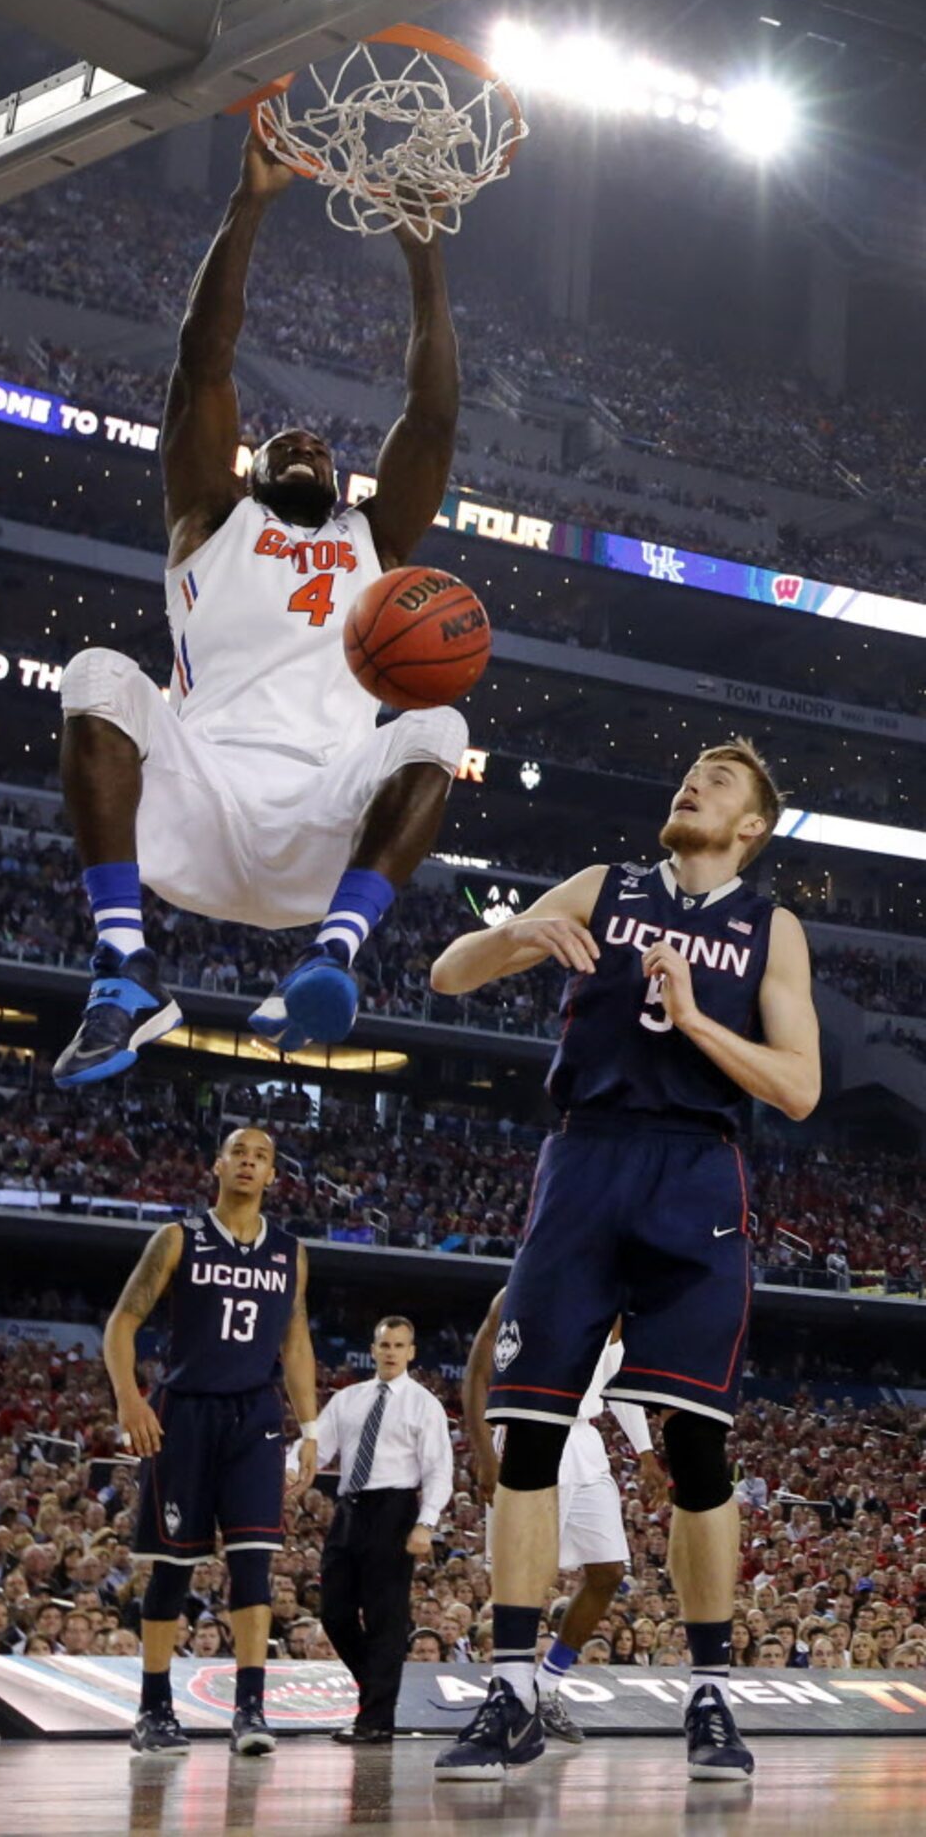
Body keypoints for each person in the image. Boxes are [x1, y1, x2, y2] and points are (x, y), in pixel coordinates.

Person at [431, 738, 820, 1784]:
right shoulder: (602, 888)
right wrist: (513, 930)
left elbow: (796, 1088)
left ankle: (709, 1698)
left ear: (750, 827)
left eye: (721, 779)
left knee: (695, 1447)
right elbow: (447, 971)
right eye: (689, 769)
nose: (691, 780)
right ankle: (511, 1690)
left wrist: (694, 1020)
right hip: (585, 1160)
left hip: (695, 1174)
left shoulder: (770, 928)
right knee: (529, 1436)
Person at [53, 129, 466, 1087]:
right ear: (250, 467)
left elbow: (434, 416)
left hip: (324, 816)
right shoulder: (208, 517)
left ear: (342, 478)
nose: (306, 444)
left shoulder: (375, 542)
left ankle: (332, 956)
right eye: (283, 442)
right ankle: (123, 973)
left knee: (438, 723)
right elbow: (205, 365)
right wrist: (251, 205)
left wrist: (422, 252)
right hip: (193, 798)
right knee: (98, 675)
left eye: (321, 446)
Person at [103, 1125, 318, 1756]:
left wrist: (310, 1428)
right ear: (217, 1166)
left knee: (255, 1563)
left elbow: (296, 1341)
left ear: (275, 1176)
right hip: (184, 1412)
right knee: (173, 1567)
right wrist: (130, 1398)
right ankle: (154, 1710)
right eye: (240, 1154)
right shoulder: (178, 1238)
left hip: (256, 1416)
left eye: (263, 1158)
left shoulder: (290, 1251)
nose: (250, 1164)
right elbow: (122, 1323)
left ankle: (250, 1711)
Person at [463, 1289, 668, 1748]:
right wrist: (482, 1451)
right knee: (522, 1580)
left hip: (585, 1444)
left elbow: (617, 1383)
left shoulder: (611, 1306)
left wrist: (646, 1452)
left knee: (609, 1572)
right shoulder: (517, 1294)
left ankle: (548, 1684)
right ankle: (507, 1691)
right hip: (526, 1432)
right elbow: (477, 1375)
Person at [302, 1316, 453, 1744]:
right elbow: (319, 1447)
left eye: (399, 1345)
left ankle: (375, 1720)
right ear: (373, 1349)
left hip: (395, 1508)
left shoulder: (424, 1404)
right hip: (349, 1507)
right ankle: (376, 1692)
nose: (391, 1352)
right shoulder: (348, 1399)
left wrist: (426, 1522)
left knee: (386, 1619)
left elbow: (440, 1469)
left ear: (411, 1352)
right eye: (384, 1345)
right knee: (334, 1610)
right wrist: (294, 1469)